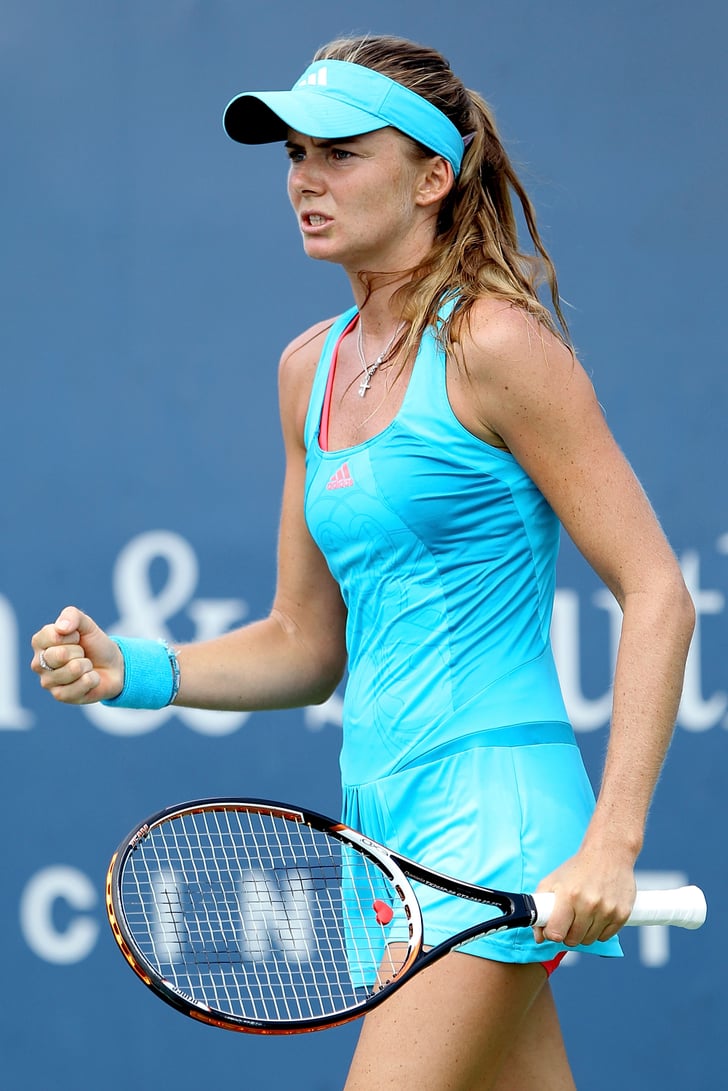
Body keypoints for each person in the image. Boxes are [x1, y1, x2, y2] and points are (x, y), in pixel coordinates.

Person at [31, 34, 694, 1091]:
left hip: (495, 813)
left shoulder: (495, 346)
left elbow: (656, 590)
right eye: (295, 153)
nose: (305, 177)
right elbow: (304, 642)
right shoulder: (307, 369)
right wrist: (134, 670)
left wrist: (610, 839)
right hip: (382, 825)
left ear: (433, 177)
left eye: (341, 151)